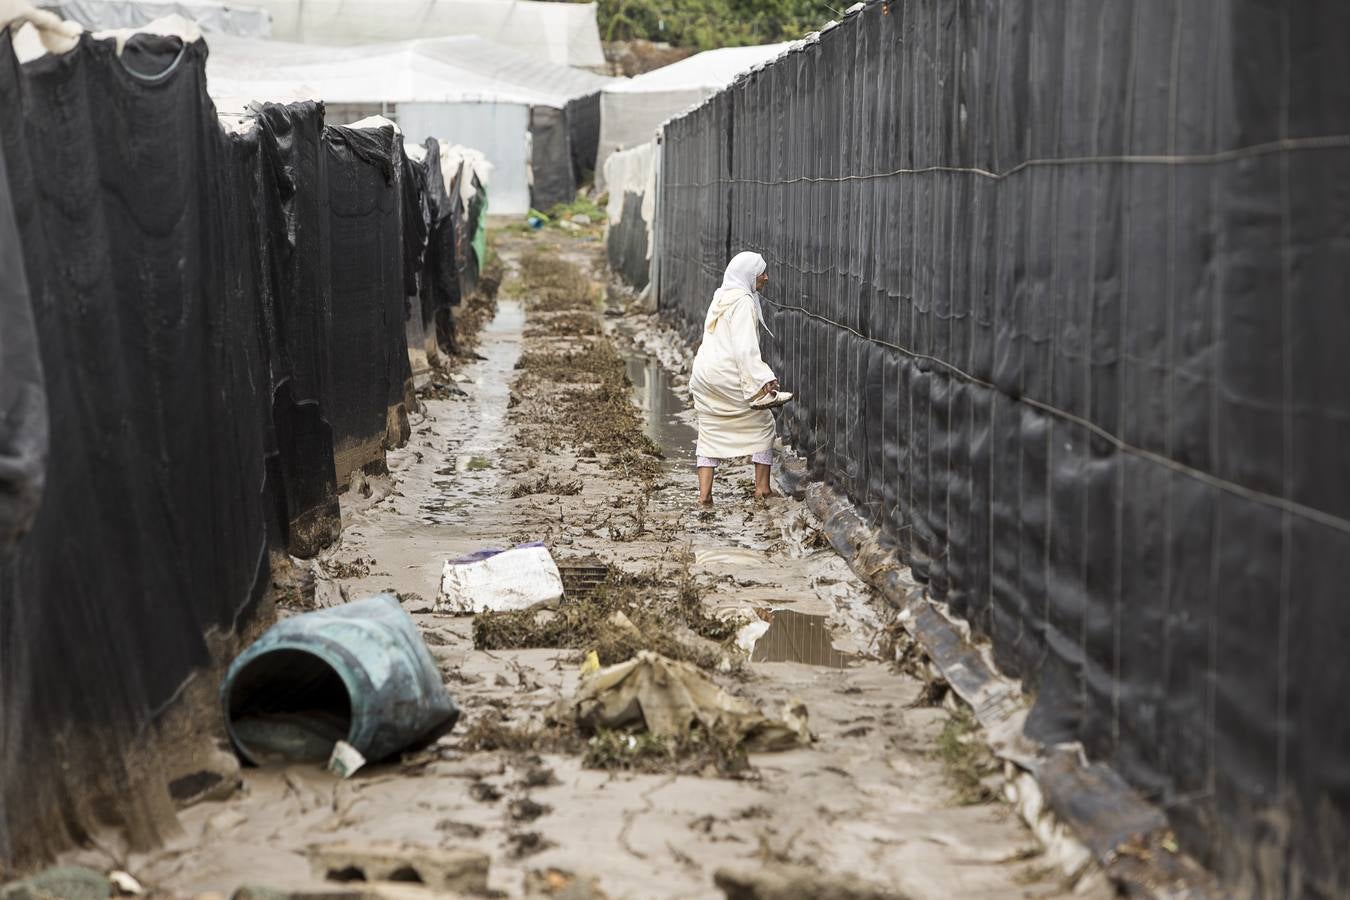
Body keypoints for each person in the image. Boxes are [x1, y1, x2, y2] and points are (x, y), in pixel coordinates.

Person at [689, 251, 792, 506]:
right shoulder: (744, 302)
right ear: (748, 275)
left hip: (704, 374)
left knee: (710, 429)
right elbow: (745, 347)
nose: (766, 278)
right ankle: (763, 489)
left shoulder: (721, 296)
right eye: (761, 273)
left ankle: (704, 496)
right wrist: (763, 379)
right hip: (725, 373)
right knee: (763, 423)